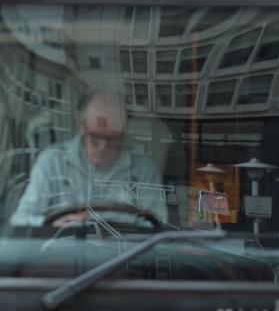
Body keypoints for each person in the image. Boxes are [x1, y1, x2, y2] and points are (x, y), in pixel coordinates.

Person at [10, 91, 169, 227]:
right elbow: (19, 220)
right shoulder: (52, 162)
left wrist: (97, 220)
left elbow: (158, 224)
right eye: (95, 137)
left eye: (113, 139)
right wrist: (50, 224)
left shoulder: (143, 169)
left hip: (124, 257)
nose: (102, 147)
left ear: (124, 133)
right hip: (61, 255)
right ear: (82, 127)